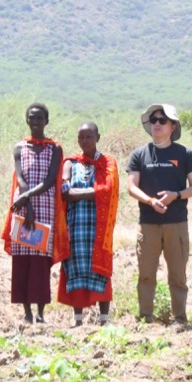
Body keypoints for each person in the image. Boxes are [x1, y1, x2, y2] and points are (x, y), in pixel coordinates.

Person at [127, 104, 192, 326]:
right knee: (146, 274)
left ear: (172, 126)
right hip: (148, 223)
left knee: (178, 275)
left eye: (162, 120)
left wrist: (175, 195)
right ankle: (145, 319)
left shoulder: (184, 153)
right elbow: (131, 186)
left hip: (176, 223)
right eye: (153, 120)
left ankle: (180, 319)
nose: (156, 124)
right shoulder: (139, 154)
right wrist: (150, 200)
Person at [53, 122, 119, 326]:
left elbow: (109, 191)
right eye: (81, 137)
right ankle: (78, 320)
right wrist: (93, 194)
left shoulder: (108, 163)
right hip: (75, 226)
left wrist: (77, 193)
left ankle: (105, 319)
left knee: (101, 270)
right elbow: (64, 190)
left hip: (99, 228)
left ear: (97, 137)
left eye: (89, 137)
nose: (84, 141)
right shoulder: (70, 163)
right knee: (75, 268)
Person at [3, 103, 62, 323]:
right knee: (23, 261)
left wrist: (27, 199)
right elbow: (20, 178)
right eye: (31, 118)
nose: (35, 122)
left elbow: (50, 181)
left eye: (39, 118)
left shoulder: (54, 148)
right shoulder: (20, 147)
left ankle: (40, 313)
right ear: (27, 120)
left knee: (41, 263)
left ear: (47, 121)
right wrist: (26, 204)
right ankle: (27, 314)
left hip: (45, 207)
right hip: (22, 207)